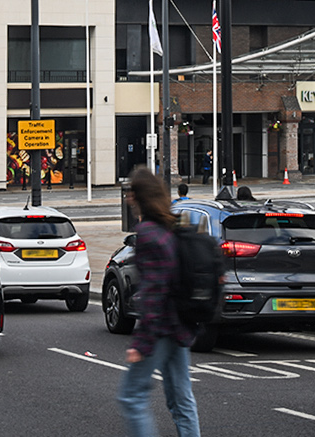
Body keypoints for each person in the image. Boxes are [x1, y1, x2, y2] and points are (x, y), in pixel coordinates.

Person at [117, 167, 200, 437]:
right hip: (180, 325)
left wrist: (142, 343)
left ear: (139, 196)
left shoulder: (148, 233)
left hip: (162, 327)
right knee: (182, 400)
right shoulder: (170, 226)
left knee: (131, 396)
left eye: (130, 192)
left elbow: (154, 292)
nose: (127, 197)